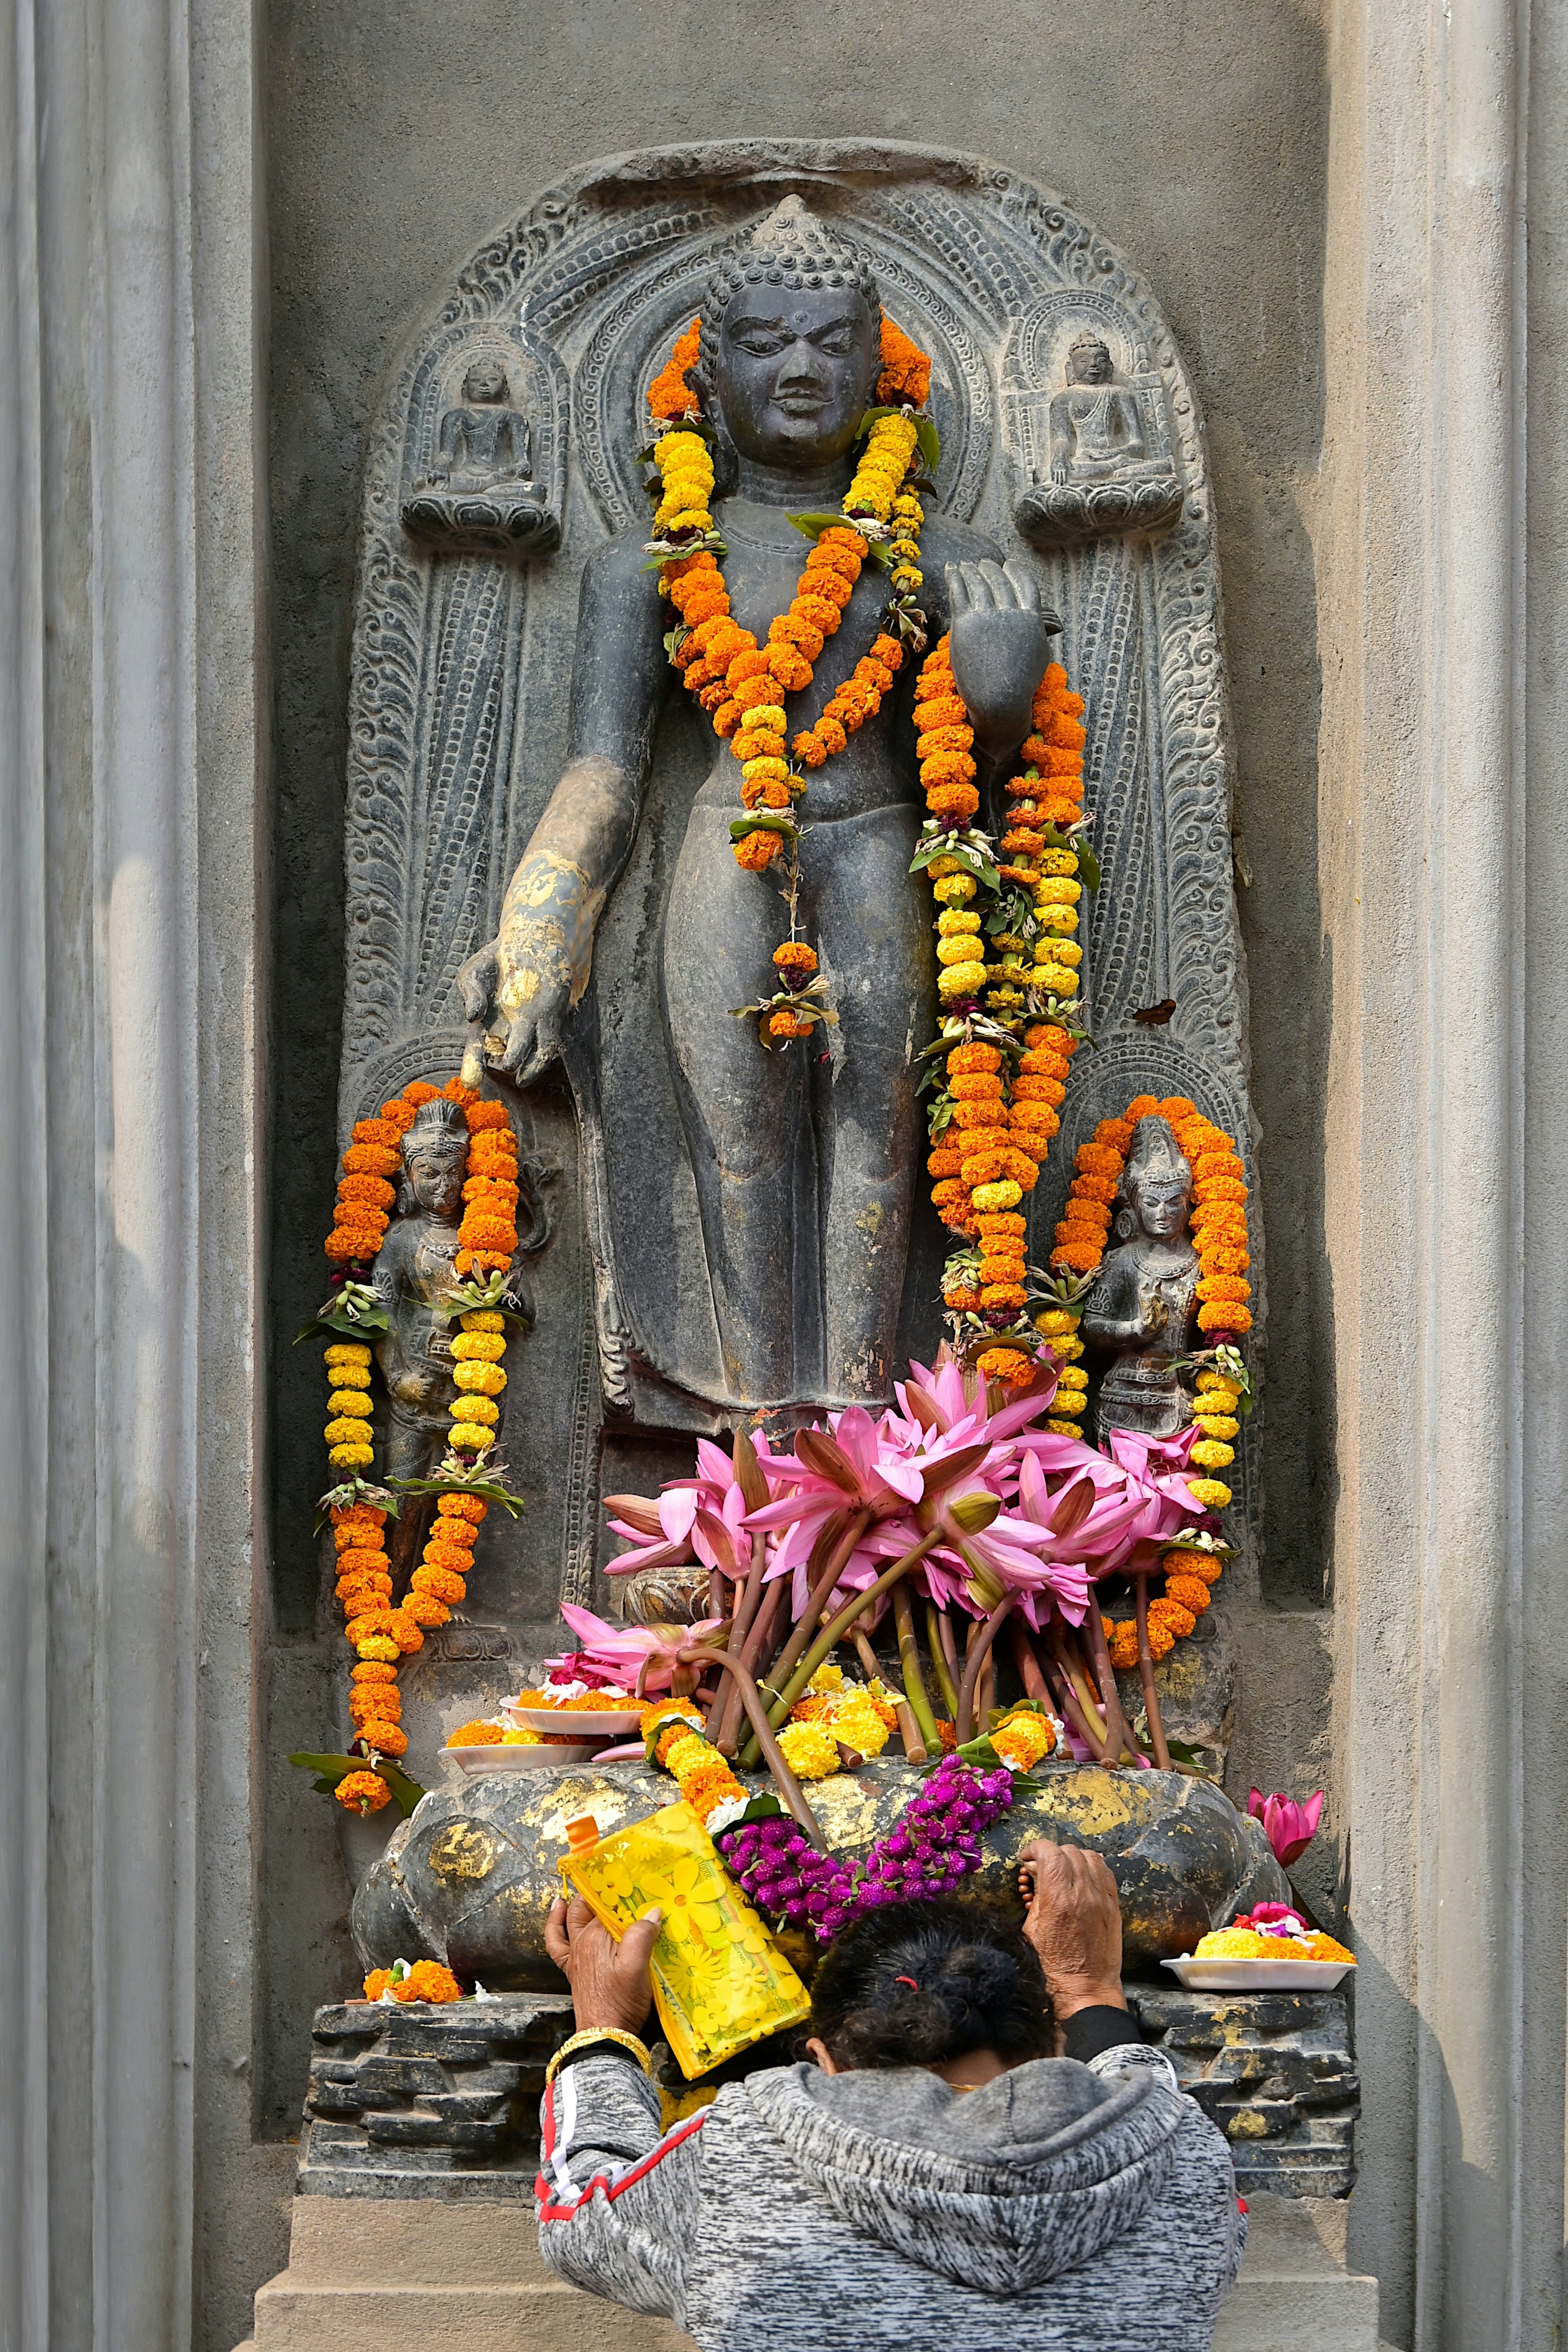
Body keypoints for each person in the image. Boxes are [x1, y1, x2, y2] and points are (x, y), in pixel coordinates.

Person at [537, 1842, 1246, 2349]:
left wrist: (603, 2029)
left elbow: (578, 2214)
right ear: (1057, 2050)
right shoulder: (1188, 2162)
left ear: (819, 2061)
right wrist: (1090, 1992)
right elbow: (1144, 2106)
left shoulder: (743, 2146)